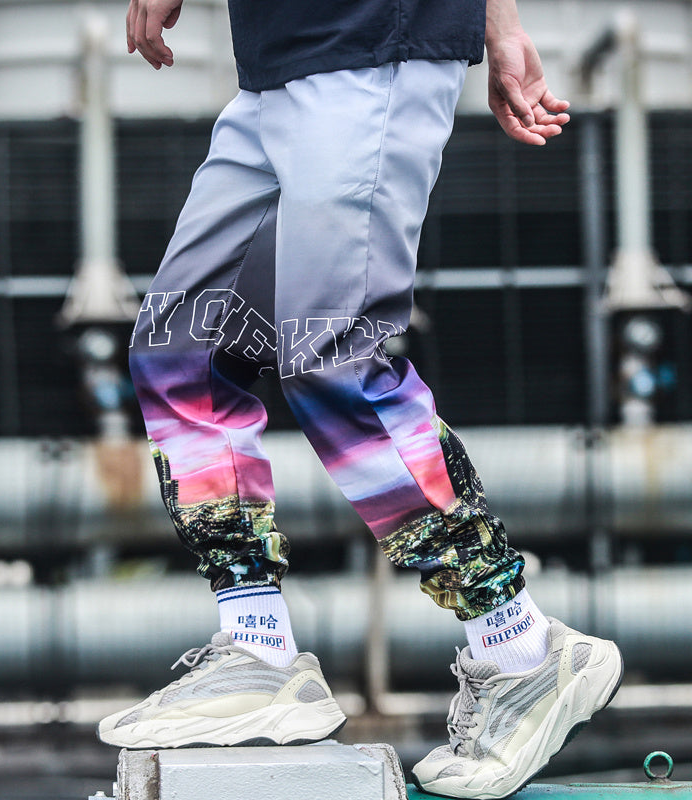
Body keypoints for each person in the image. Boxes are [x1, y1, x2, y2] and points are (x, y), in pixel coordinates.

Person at [98, 0, 624, 796]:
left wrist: (500, 26)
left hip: (374, 42)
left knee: (329, 351)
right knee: (184, 347)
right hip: (278, 58)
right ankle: (257, 648)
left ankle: (520, 648)